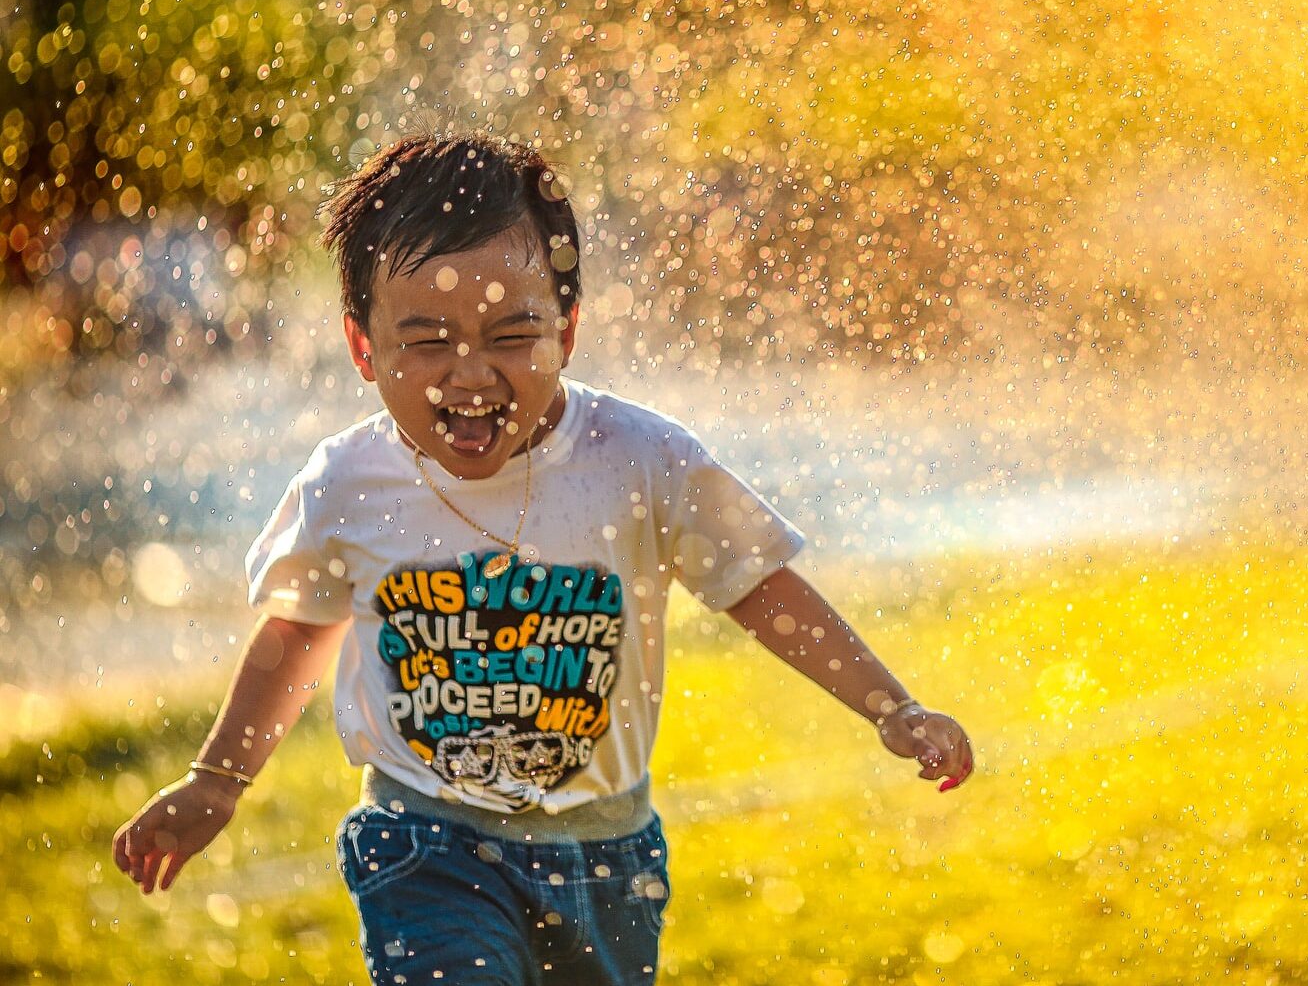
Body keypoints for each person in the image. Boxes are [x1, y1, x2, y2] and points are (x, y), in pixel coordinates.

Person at [110, 131, 974, 985]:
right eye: (428, 340)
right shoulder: (349, 481)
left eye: (511, 334)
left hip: (606, 855)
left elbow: (760, 587)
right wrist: (218, 778)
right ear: (363, 348)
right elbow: (298, 631)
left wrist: (890, 706)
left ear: (567, 329)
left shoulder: (639, 459)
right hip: (425, 842)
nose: (471, 372)